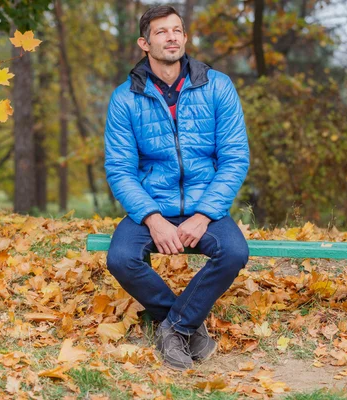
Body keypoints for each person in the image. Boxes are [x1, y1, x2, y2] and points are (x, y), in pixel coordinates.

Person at [104, 5, 250, 370]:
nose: (171, 37)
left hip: (206, 205)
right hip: (152, 205)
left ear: (185, 38)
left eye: (177, 30)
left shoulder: (217, 86)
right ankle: (187, 325)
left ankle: (175, 327)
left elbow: (235, 158)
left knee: (234, 252)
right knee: (120, 259)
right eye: (161, 32)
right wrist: (153, 219)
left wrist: (203, 215)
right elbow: (120, 169)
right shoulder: (125, 98)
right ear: (144, 43)